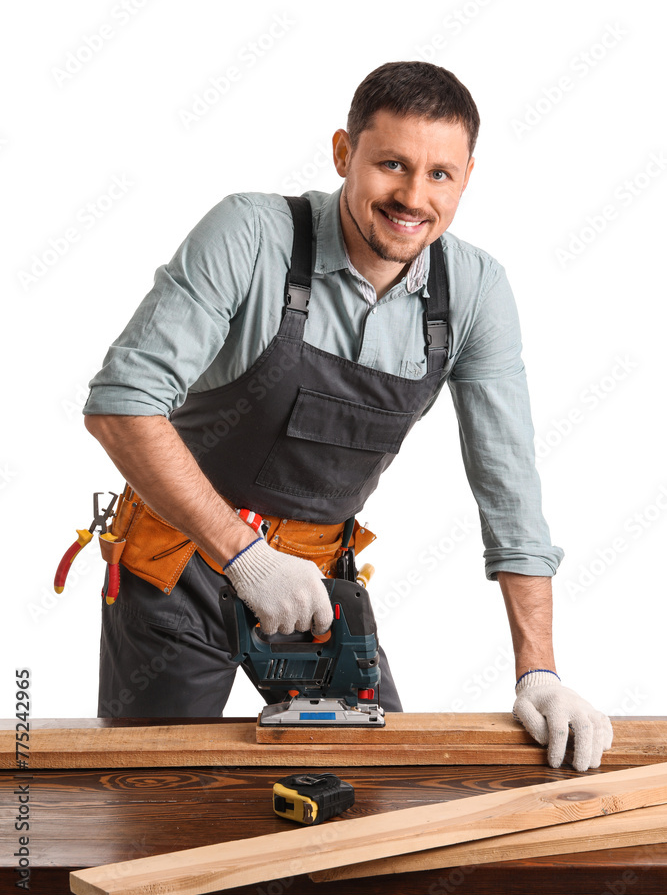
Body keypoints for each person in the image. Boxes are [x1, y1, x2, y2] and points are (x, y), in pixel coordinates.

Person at [83, 60, 612, 772]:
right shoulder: (252, 234)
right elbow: (121, 403)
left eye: (439, 174)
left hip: (311, 583)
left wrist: (537, 673)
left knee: (368, 795)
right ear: (343, 154)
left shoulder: (475, 291)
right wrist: (244, 556)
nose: (412, 196)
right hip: (175, 563)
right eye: (391, 164)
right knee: (158, 797)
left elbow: (508, 489)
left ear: (466, 177)